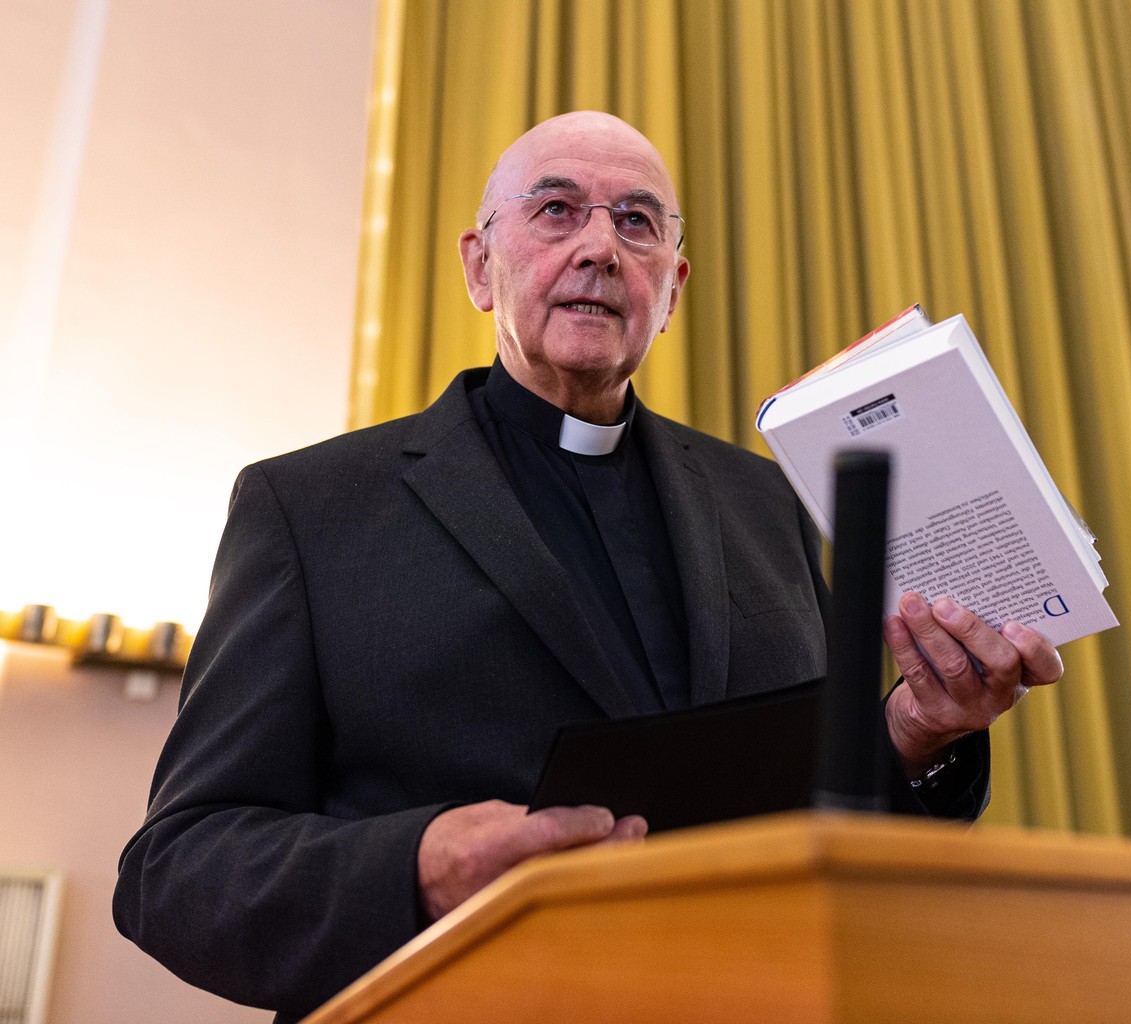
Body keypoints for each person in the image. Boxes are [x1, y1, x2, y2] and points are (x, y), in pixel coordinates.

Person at [114, 112, 1062, 1022]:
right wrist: (413, 867)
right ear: (481, 266)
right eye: (557, 210)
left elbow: (810, 814)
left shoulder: (762, 501)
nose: (601, 248)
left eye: (637, 222)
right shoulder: (311, 508)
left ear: (674, 288)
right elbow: (177, 869)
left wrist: (909, 736)